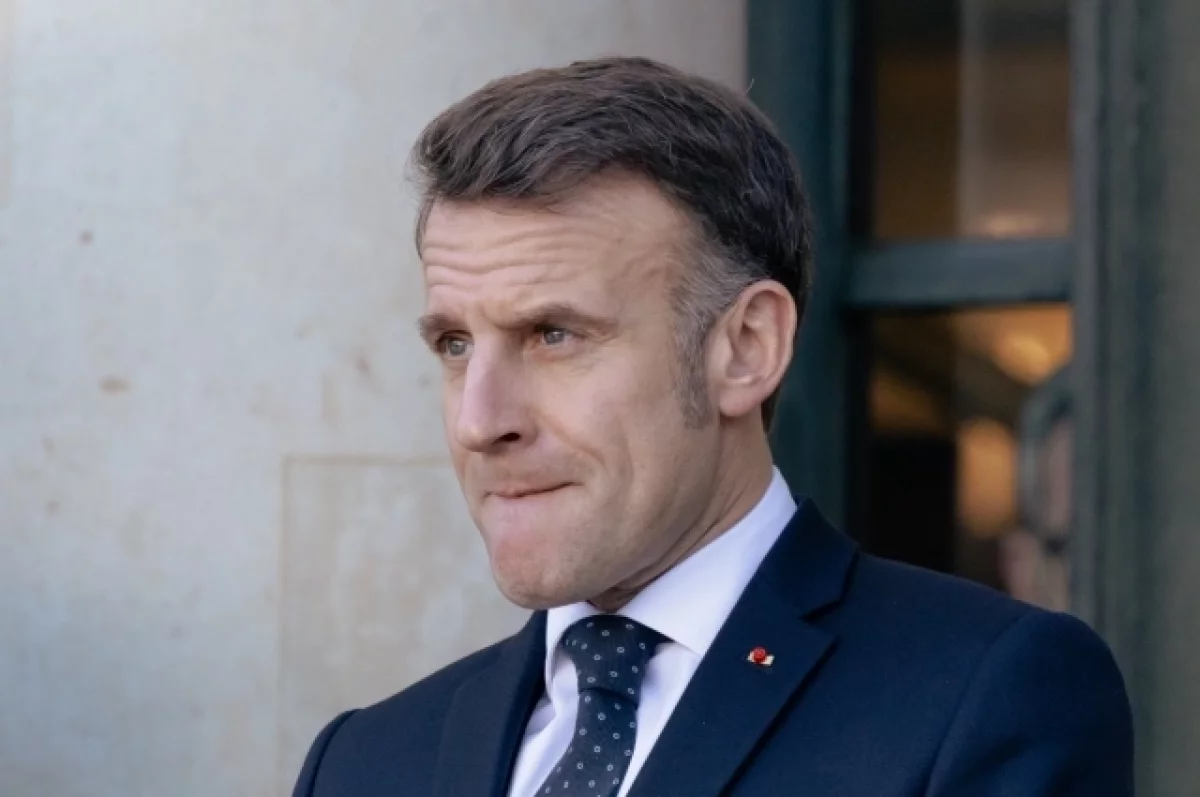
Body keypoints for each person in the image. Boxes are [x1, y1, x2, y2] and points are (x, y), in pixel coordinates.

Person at [291, 57, 1133, 797]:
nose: (480, 421)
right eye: (454, 344)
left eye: (553, 334)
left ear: (746, 347)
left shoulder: (980, 697)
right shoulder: (364, 761)